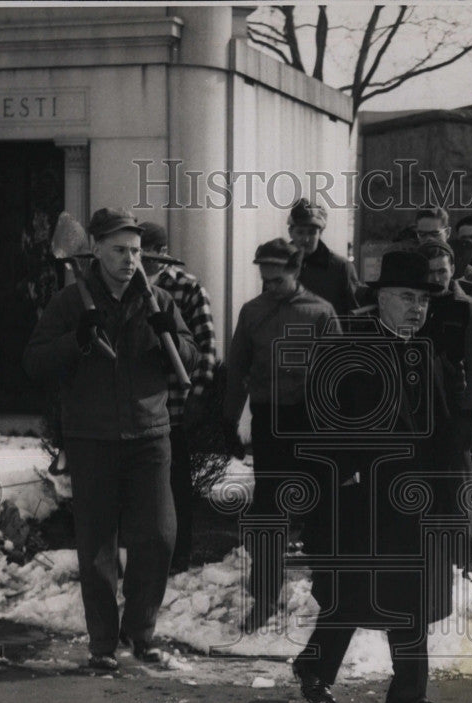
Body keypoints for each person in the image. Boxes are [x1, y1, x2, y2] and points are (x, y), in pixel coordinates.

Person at [23, 207, 199, 670]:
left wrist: (172, 341)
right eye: (119, 250)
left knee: (160, 535)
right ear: (95, 250)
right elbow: (34, 363)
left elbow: (192, 360)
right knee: (97, 544)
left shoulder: (158, 300)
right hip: (93, 435)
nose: (129, 260)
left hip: (149, 434)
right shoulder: (70, 303)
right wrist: (76, 341)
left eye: (137, 252)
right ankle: (103, 644)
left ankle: (140, 633)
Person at [292, 249, 455, 703]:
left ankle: (408, 692)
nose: (417, 307)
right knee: (351, 596)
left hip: (415, 499)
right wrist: (344, 476)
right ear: (379, 298)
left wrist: (452, 500)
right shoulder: (350, 349)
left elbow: (447, 435)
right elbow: (319, 424)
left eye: (424, 299)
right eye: (407, 297)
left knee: (412, 595)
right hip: (359, 498)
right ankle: (315, 670)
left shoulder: (430, 356)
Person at [223, 238, 337, 633]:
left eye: (276, 280)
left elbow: (338, 379)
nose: (267, 287)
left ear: (296, 271)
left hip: (313, 425)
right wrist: (227, 423)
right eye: (264, 279)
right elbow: (236, 370)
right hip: (270, 423)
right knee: (268, 514)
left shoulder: (321, 313)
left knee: (322, 514)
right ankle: (265, 597)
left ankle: (331, 600)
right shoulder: (252, 312)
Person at [139, 222, 217, 574]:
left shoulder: (185, 289)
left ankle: (178, 554)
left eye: (150, 254)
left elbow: (205, 348)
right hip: (135, 409)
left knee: (174, 486)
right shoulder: (125, 287)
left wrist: (197, 397)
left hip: (173, 407)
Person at [417, 239, 472, 573]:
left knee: (459, 480)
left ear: (452, 270)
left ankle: (465, 557)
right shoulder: (415, 303)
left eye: (443, 271)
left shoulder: (467, 307)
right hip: (418, 407)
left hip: (455, 406)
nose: (437, 278)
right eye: (430, 272)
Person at [287, 198, 361, 315]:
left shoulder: (341, 268)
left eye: (312, 232)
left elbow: (355, 315)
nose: (306, 239)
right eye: (300, 232)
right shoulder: (279, 264)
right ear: (290, 232)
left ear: (320, 233)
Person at [417, 206, 472, 284]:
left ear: (448, 233)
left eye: (435, 233)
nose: (429, 239)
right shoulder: (408, 269)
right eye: (422, 234)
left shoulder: (470, 275)